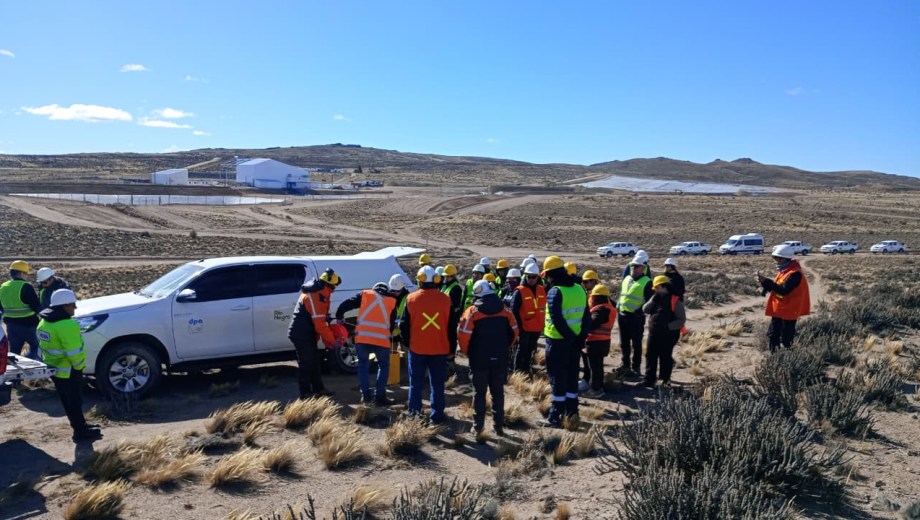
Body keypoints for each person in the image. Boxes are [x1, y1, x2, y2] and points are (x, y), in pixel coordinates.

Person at [36, 289, 102, 442]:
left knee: (68, 402)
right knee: (75, 402)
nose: (75, 308)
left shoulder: (44, 322)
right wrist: (79, 368)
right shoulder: (67, 325)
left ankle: (80, 426)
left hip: (55, 370)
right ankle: (80, 433)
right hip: (69, 371)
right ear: (65, 306)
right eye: (73, 304)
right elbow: (74, 353)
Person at [458, 280, 518, 436]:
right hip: (500, 358)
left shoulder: (472, 312)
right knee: (498, 393)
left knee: (479, 393)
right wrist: (506, 348)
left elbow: (463, 335)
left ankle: (478, 427)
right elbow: (514, 332)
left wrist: (467, 352)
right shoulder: (506, 311)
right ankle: (498, 427)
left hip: (479, 359)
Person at [540, 256, 590, 428]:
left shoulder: (555, 291)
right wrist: (579, 339)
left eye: (546, 275)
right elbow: (586, 317)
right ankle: (572, 412)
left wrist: (570, 338)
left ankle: (555, 416)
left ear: (550, 274)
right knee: (571, 378)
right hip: (574, 344)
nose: (546, 278)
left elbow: (557, 320)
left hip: (557, 343)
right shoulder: (579, 289)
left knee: (557, 379)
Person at [400, 266, 452, 424]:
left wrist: (409, 343)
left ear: (420, 280)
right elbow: (451, 326)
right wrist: (451, 349)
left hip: (417, 350)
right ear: (436, 280)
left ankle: (414, 415)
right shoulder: (446, 299)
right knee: (437, 384)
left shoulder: (411, 299)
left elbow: (403, 325)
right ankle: (437, 416)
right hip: (440, 349)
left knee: (415, 384)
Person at [335, 281, 397, 406]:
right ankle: (380, 397)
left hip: (362, 339)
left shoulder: (365, 294)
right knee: (383, 366)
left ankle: (366, 396)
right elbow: (390, 325)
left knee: (363, 365)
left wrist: (339, 316)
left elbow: (345, 304)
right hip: (381, 340)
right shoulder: (392, 301)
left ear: (374, 289)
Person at [287, 268, 341, 399]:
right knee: (306, 364)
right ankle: (305, 394)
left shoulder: (317, 292)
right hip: (302, 334)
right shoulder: (316, 296)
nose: (333, 291)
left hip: (306, 333)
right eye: (333, 287)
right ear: (328, 285)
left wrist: (327, 317)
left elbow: (319, 318)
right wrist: (333, 342)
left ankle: (319, 389)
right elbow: (320, 325)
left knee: (314, 362)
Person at [758, 244, 811, 352]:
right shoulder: (784, 271)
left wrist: (767, 282)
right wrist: (765, 285)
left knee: (786, 340)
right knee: (773, 335)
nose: (775, 261)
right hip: (779, 309)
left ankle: (786, 361)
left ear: (784, 259)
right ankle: (774, 361)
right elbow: (777, 287)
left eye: (776, 258)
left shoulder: (795, 274)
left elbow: (784, 290)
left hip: (789, 312)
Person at [642, 276, 686, 388]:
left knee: (665, 357)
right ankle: (649, 380)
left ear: (664, 287)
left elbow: (681, 320)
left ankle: (664, 381)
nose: (655, 290)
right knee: (650, 355)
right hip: (654, 333)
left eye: (657, 287)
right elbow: (645, 309)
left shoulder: (675, 300)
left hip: (668, 334)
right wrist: (653, 300)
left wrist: (668, 326)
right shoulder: (655, 298)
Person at [0, 261, 44, 361]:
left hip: (11, 327)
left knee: (14, 355)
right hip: (28, 325)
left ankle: (16, 375)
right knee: (37, 347)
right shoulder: (26, 286)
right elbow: (36, 306)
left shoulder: (3, 287)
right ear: (20, 273)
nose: (27, 276)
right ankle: (29, 363)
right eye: (26, 273)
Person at [617, 261, 653, 376]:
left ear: (643, 268)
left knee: (636, 343)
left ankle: (636, 367)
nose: (633, 268)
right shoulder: (627, 278)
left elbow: (649, 302)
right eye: (632, 265)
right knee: (624, 343)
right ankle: (625, 364)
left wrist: (638, 313)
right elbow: (622, 294)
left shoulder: (647, 282)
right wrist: (618, 306)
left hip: (636, 318)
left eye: (636, 266)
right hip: (622, 316)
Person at [510, 262, 546, 375]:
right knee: (521, 351)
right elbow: (514, 310)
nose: (530, 279)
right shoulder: (519, 291)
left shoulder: (541, 289)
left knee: (530, 351)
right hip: (524, 328)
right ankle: (518, 372)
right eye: (528, 276)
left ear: (538, 277)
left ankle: (526, 370)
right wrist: (519, 328)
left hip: (536, 328)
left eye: (533, 277)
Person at [584, 284, 616, 398]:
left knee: (595, 368)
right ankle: (598, 387)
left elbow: (592, 324)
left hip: (594, 342)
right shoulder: (610, 307)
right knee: (598, 366)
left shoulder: (600, 309)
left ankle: (595, 390)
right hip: (604, 341)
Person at [577, 270, 600, 387]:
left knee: (591, 359)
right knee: (585, 356)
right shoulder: (586, 294)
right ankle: (587, 379)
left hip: (594, 333)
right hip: (586, 331)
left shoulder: (598, 295)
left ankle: (589, 381)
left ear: (594, 281)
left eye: (586, 282)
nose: (584, 284)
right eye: (583, 282)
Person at [390, 273, 411, 340]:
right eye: (393, 291)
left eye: (398, 291)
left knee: (404, 348)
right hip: (392, 327)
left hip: (404, 327)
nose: (395, 293)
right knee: (393, 349)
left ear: (402, 288)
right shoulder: (388, 296)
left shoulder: (408, 297)